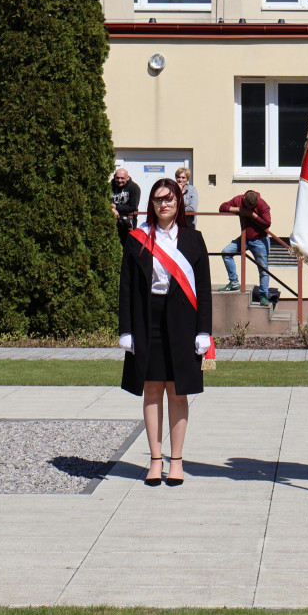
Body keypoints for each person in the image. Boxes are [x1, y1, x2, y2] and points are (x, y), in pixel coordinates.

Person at [118, 179, 212, 487]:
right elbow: (127, 288)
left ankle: (177, 461)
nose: (164, 204)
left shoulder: (194, 240)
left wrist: (204, 331)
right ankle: (155, 460)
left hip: (183, 323)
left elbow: (205, 291)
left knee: (177, 390)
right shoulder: (137, 240)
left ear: (178, 203)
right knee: (152, 389)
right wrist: (127, 330)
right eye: (158, 199)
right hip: (148, 320)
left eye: (169, 199)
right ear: (151, 204)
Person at [218, 190, 272, 305]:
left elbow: (267, 223)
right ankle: (234, 282)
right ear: (244, 201)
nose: (251, 208)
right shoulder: (239, 199)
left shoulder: (262, 204)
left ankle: (263, 295)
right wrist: (240, 210)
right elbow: (222, 207)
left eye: (253, 207)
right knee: (226, 252)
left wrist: (252, 214)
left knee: (263, 269)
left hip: (260, 240)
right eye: (249, 207)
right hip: (244, 238)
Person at [110, 168, 141, 245]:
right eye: (117, 178)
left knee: (127, 245)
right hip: (112, 220)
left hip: (128, 223)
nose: (119, 180)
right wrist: (112, 209)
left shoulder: (134, 188)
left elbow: (133, 206)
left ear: (127, 178)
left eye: (122, 178)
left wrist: (116, 207)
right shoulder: (110, 187)